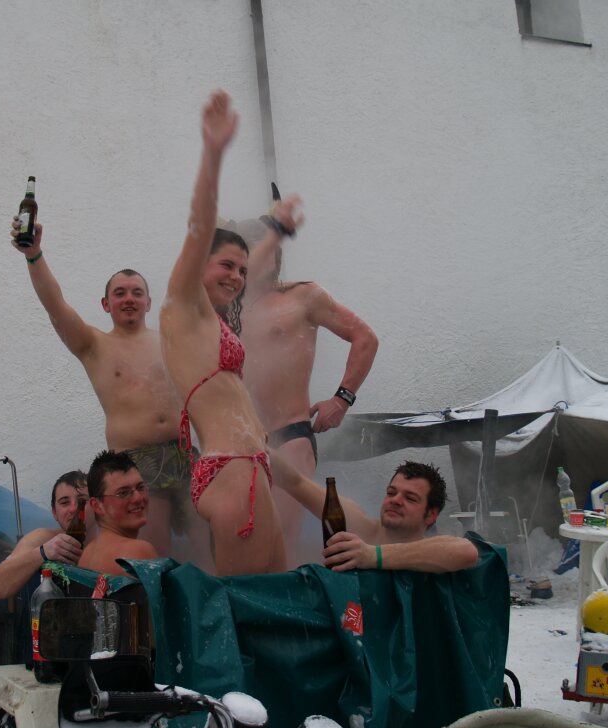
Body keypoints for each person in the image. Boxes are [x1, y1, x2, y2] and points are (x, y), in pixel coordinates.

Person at [9, 216, 212, 570]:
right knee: (154, 555)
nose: (129, 299)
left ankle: (211, 598)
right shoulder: (94, 345)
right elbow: (55, 305)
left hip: (184, 454)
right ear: (106, 304)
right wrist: (34, 255)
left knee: (207, 545)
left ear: (149, 303)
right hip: (136, 462)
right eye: (120, 293)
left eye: (136, 293)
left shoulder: (171, 343)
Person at [159, 90, 286, 576]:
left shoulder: (211, 319)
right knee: (246, 604)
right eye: (226, 265)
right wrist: (212, 155)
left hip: (252, 466)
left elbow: (250, 268)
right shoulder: (183, 304)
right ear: (200, 265)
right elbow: (199, 227)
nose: (236, 276)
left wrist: (278, 232)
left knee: (277, 598)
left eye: (242, 269)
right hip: (229, 467)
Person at [235, 214, 378, 567]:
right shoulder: (230, 309)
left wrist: (341, 400)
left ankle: (288, 597)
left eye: (270, 247)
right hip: (245, 441)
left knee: (282, 531)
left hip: (290, 434)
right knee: (247, 535)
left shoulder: (302, 296)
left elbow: (365, 338)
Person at [270, 451, 478, 573]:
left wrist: (372, 555)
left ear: (431, 515)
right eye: (391, 492)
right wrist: (258, 442)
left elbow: (468, 552)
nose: (396, 500)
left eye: (410, 498)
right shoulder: (362, 528)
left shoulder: (433, 550)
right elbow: (296, 482)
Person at [0, 470, 89, 600]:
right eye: (64, 502)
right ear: (54, 513)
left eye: (82, 501)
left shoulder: (107, 541)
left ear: (97, 506)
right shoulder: (44, 538)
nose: (73, 509)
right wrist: (43, 552)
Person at [78, 450, 159, 576]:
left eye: (140, 487)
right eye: (123, 493)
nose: (138, 498)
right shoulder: (139, 551)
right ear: (97, 506)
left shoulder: (86, 555)